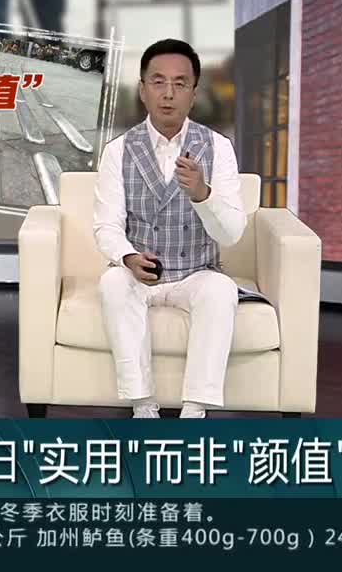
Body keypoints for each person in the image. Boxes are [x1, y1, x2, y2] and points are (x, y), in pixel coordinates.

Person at [93, 39, 245, 419]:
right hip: (140, 273)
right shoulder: (117, 151)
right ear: (142, 90)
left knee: (221, 290)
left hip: (195, 272)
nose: (168, 94)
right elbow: (107, 225)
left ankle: (194, 411)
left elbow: (232, 234)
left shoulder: (218, 147)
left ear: (194, 94)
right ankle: (143, 406)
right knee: (112, 283)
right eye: (158, 82)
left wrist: (203, 195)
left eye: (180, 83)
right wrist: (128, 256)